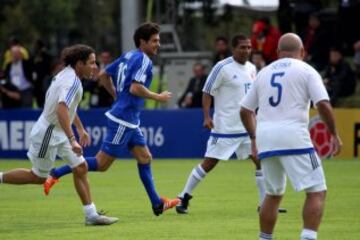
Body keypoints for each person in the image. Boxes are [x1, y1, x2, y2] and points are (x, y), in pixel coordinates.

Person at [43, 22, 180, 216]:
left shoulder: (128, 55)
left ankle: (157, 203)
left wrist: (117, 96)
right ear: (143, 42)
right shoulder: (143, 60)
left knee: (145, 157)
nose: (158, 44)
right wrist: (158, 97)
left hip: (129, 119)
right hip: (123, 120)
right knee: (101, 164)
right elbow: (134, 87)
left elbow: (103, 75)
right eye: (155, 41)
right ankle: (55, 173)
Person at [0, 44, 118, 225]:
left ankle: (91, 215)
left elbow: (68, 107)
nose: (95, 67)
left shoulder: (70, 75)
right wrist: (73, 139)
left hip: (58, 130)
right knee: (38, 177)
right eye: (92, 63)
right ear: (79, 64)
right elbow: (62, 109)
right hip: (49, 132)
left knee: (81, 167)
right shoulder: (70, 81)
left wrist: (79, 129)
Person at [240, 33, 342, 240]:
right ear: (302, 52)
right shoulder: (307, 70)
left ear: (278, 53)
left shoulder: (263, 73)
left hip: (266, 138)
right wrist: (334, 134)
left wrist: (253, 138)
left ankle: (264, 238)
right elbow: (322, 103)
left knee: (273, 193)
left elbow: (244, 109)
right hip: (293, 136)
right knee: (317, 191)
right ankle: (308, 238)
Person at [175, 34, 284, 214]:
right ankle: (183, 196)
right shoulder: (222, 67)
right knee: (209, 163)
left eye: (249, 47)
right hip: (225, 128)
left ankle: (264, 203)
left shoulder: (252, 68)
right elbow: (207, 92)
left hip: (247, 127)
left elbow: (253, 95)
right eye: (242, 47)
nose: (246, 50)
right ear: (233, 49)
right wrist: (207, 117)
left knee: (260, 161)